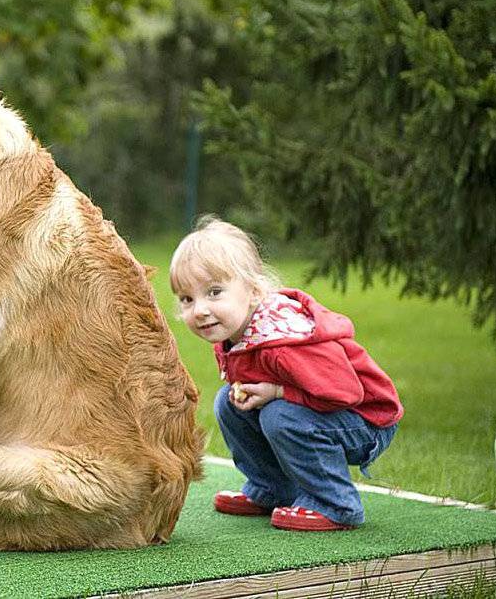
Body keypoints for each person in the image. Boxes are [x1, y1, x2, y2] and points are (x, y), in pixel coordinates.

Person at [169, 216, 403, 531]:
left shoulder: (282, 341)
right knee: (228, 402)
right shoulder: (234, 335)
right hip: (321, 411)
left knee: (279, 415)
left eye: (214, 292)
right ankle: (272, 489)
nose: (199, 310)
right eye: (187, 299)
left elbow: (346, 392)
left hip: (365, 421)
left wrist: (278, 393)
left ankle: (336, 504)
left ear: (252, 291)